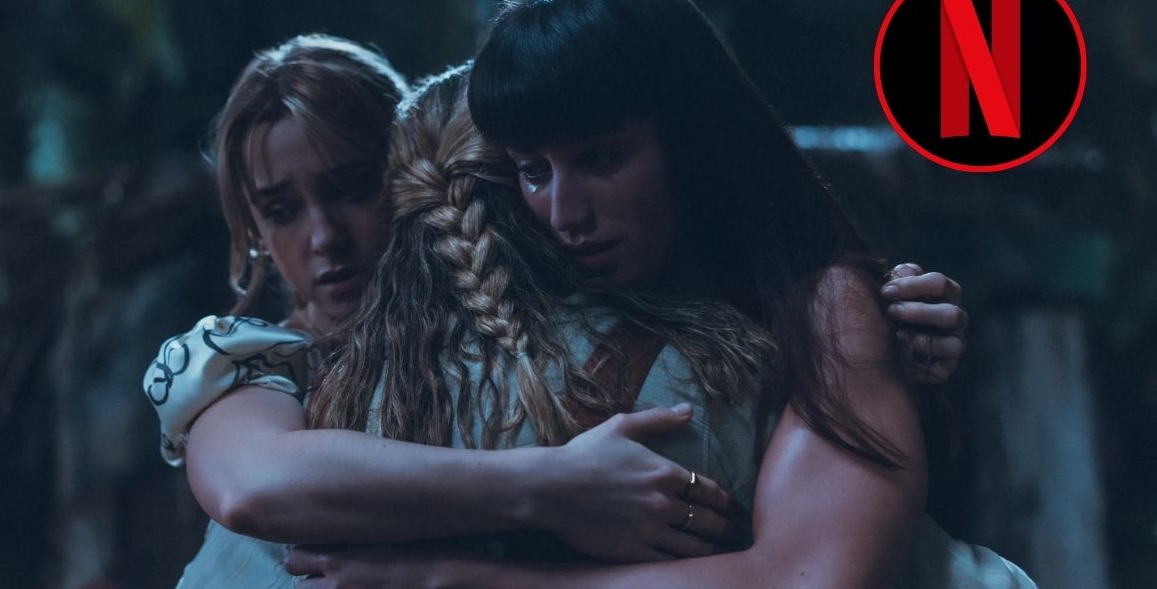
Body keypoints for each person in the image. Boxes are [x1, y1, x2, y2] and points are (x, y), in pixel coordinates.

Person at [282, 0, 1031, 587]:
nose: (564, 212)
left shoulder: (828, 303)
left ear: (690, 140)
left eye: (601, 159)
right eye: (533, 170)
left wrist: (453, 577)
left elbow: (808, 579)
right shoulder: (541, 306)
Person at [147, 35, 786, 587]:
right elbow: (253, 486)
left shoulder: (523, 346)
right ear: (253, 232)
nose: (324, 238)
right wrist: (558, 485)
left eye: (353, 189)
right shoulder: (253, 363)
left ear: (416, 174)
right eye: (282, 211)